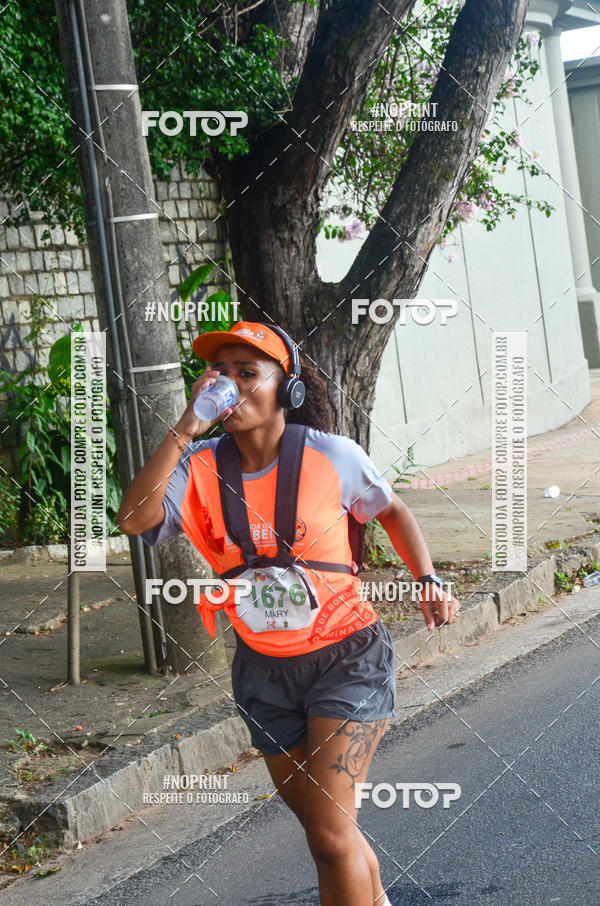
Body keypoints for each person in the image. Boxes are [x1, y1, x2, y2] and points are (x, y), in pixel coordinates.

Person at [117, 320, 461, 906]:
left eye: (248, 373)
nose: (229, 384)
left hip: (346, 658)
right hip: (263, 671)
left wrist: (426, 577)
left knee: (330, 836)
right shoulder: (196, 466)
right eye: (220, 373)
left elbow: (392, 510)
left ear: (288, 389)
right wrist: (185, 427)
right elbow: (134, 519)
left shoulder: (332, 455)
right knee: (330, 834)